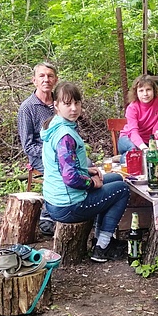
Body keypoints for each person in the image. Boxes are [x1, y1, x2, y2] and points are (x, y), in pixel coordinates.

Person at [41, 82, 130, 263]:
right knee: (122, 189)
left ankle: (100, 237)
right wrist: (91, 182)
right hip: (68, 206)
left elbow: (63, 165)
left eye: (77, 103)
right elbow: (71, 178)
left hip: (54, 201)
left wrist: (87, 170)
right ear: (56, 105)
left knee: (113, 177)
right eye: (67, 104)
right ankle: (102, 247)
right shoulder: (64, 135)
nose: (74, 109)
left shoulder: (55, 125)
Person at [17, 62, 59, 236]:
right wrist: (51, 154)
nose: (46, 79)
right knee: (59, 170)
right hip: (40, 156)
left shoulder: (60, 101)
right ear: (34, 80)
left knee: (86, 166)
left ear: (55, 80)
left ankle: (82, 211)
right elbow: (27, 145)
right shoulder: (27, 108)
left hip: (64, 150)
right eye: (42, 76)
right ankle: (47, 216)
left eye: (50, 76)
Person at [116, 75, 158, 162]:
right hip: (127, 138)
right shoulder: (132, 108)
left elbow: (157, 130)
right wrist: (143, 148)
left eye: (148, 90)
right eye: (141, 91)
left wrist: (154, 148)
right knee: (134, 152)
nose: (145, 94)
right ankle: (125, 163)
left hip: (148, 142)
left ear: (153, 90)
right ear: (136, 93)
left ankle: (124, 159)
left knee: (146, 158)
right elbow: (133, 132)